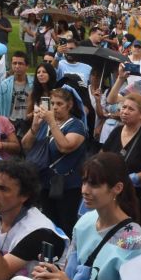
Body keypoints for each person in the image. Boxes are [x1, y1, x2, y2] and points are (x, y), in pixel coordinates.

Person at [32, 153, 141, 280]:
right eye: (84, 182)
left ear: (117, 188)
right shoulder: (85, 221)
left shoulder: (133, 238)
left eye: (94, 185)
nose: (85, 190)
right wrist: (54, 275)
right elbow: (70, 273)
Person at [21, 86, 88, 235]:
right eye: (52, 104)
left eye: (59, 104)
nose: (55, 108)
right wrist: (34, 126)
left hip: (67, 184)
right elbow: (25, 146)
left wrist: (52, 122)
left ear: (69, 105)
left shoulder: (76, 125)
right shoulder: (43, 123)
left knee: (66, 222)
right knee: (47, 221)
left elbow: (65, 147)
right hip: (44, 182)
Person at [102, 92, 141, 245]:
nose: (124, 111)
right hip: (114, 196)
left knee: (133, 240)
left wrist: (132, 178)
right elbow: (102, 158)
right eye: (123, 107)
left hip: (138, 199)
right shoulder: (116, 132)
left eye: (130, 109)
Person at [0, 51, 33, 136]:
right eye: (14, 63)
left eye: (20, 63)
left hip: (29, 123)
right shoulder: (4, 85)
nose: (17, 66)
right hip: (10, 123)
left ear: (27, 66)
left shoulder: (33, 84)